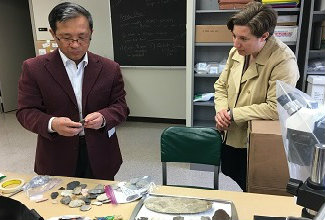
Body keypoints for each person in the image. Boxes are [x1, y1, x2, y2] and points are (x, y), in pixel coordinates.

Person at [16, 2, 129, 180]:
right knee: (59, 206)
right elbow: (25, 112)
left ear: (91, 32)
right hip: (56, 155)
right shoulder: (34, 68)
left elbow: (120, 106)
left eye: (82, 37)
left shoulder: (109, 68)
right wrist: (52, 123)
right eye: (66, 37)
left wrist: (104, 118)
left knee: (102, 204)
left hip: (101, 153)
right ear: (53, 34)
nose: (75, 45)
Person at [214, 2, 299, 191]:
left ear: (264, 37)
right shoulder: (236, 52)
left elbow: (275, 107)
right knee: (233, 171)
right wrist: (221, 110)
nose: (236, 43)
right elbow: (221, 86)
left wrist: (232, 114)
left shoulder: (283, 61)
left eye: (244, 38)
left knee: (255, 186)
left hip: (257, 139)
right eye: (234, 36)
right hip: (231, 132)